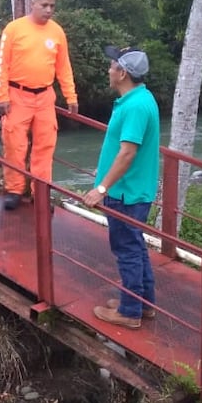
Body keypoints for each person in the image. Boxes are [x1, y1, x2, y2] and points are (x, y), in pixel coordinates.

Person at [81, 46, 160, 330]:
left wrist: (101, 188)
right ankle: (142, 303)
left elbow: (127, 153)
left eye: (112, 66)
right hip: (133, 190)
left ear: (123, 73)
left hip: (125, 193)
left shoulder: (136, 106)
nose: (108, 70)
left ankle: (129, 312)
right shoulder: (139, 98)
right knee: (135, 247)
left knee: (127, 249)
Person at [0, 0, 78, 210]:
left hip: (44, 97)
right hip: (16, 95)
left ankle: (40, 192)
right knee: (15, 144)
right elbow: (2, 66)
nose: (49, 10)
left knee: (45, 146)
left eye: (52, 6)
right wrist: (2, 95)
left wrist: (71, 96)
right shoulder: (14, 29)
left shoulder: (57, 32)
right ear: (33, 4)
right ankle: (14, 189)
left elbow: (64, 67)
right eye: (44, 5)